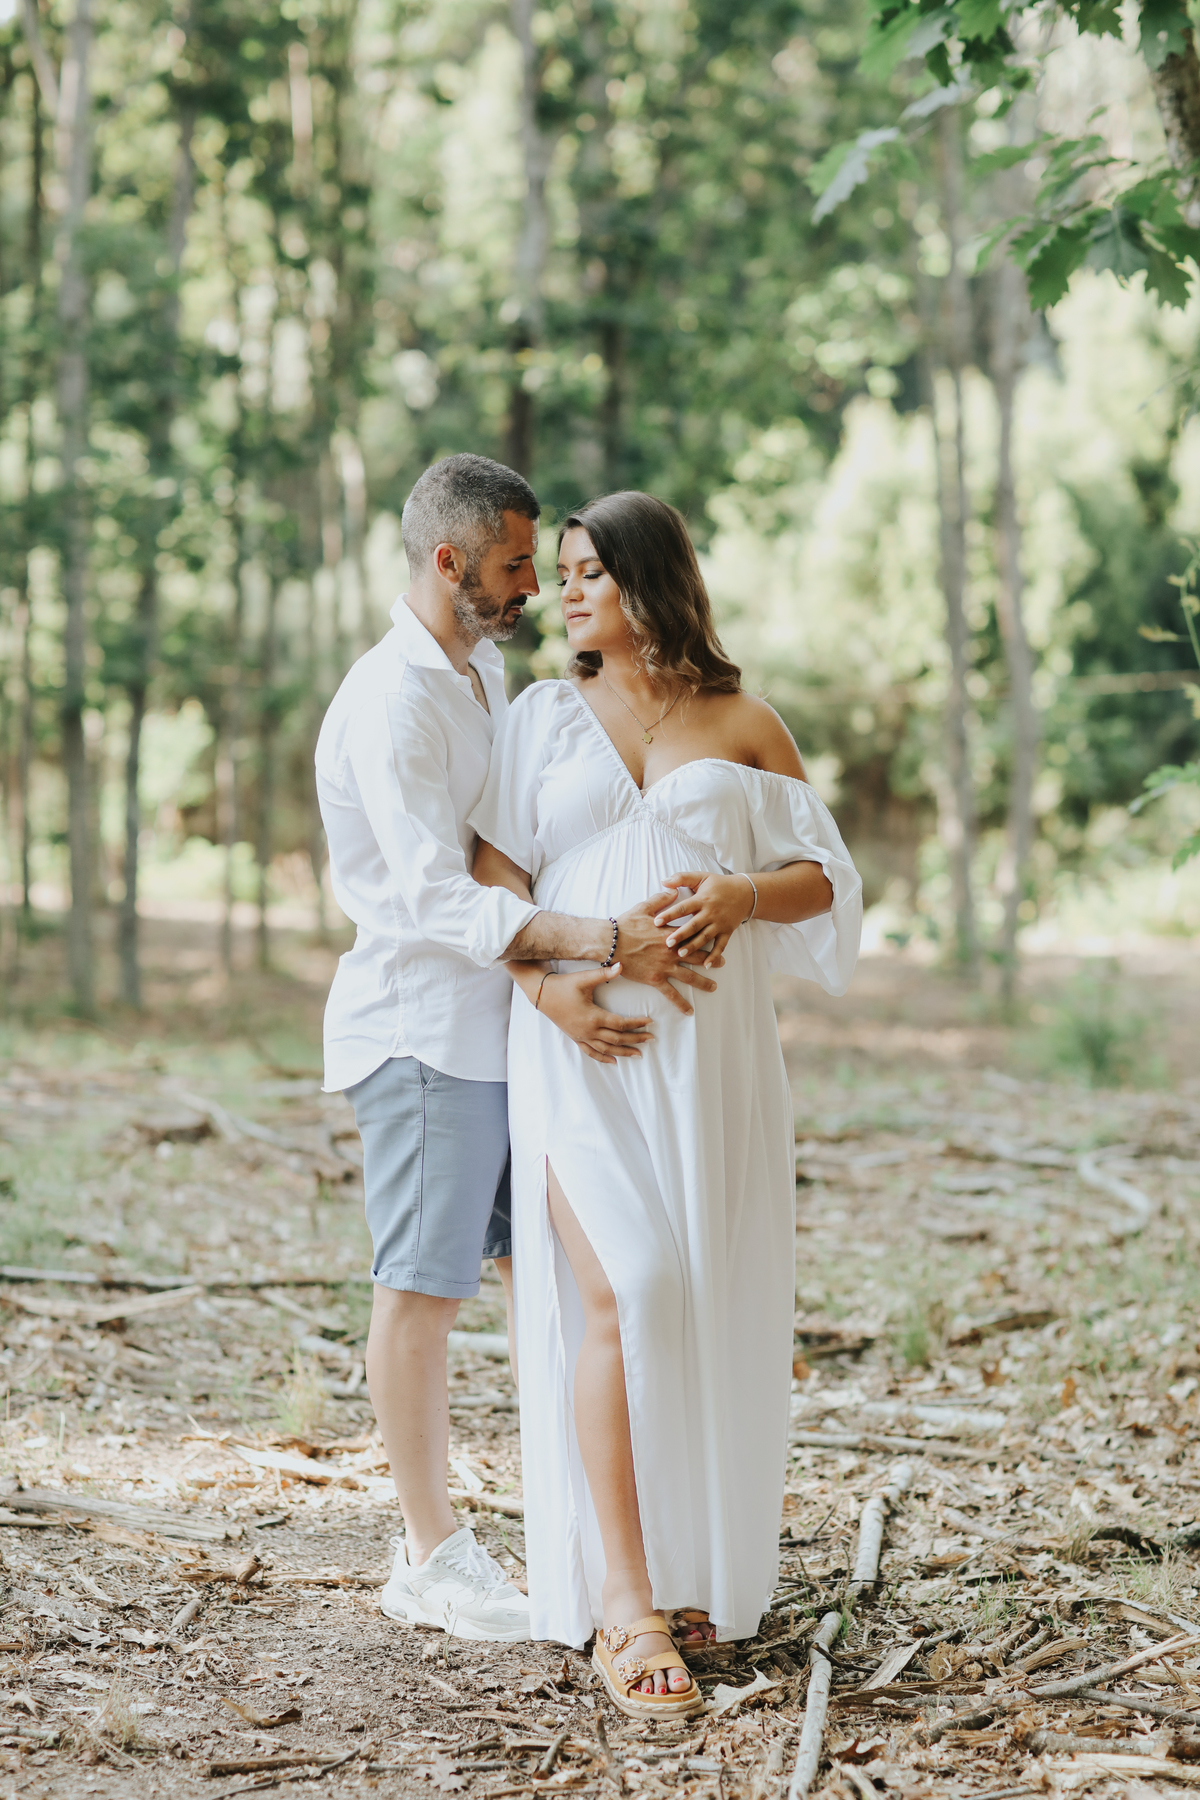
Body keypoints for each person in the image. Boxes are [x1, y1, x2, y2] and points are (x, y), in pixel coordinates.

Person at [315, 456, 722, 1644]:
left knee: (544, 1281)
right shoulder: (392, 702)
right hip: (424, 1032)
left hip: (507, 1033)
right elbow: (439, 899)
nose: (529, 590)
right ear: (448, 565)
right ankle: (429, 1551)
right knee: (423, 1286)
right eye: (509, 568)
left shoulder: (482, 669)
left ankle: (599, 1548)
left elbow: (515, 841)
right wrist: (602, 941)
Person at [470, 490, 862, 1710]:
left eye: (590, 572)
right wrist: (553, 1000)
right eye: (563, 572)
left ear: (654, 581)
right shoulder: (538, 720)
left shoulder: (741, 719)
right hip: (581, 1048)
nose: (567, 593)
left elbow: (824, 878)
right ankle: (623, 1603)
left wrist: (743, 896)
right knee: (626, 1290)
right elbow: (489, 879)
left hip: (715, 1063)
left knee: (699, 1302)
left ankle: (688, 1574)